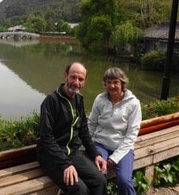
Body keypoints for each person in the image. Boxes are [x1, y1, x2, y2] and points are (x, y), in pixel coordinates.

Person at [36, 62, 108, 195]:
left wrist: (95, 154)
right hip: (51, 156)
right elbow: (46, 137)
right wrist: (65, 164)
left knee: (100, 181)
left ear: (85, 81)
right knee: (79, 190)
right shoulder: (51, 101)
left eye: (81, 79)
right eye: (73, 77)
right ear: (65, 76)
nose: (76, 82)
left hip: (72, 153)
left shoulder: (79, 100)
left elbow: (83, 131)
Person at [88, 67, 142, 195]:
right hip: (100, 143)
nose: (112, 86)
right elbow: (91, 124)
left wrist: (114, 159)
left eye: (115, 82)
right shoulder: (100, 99)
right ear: (105, 83)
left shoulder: (133, 103)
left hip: (123, 147)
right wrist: (86, 146)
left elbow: (131, 135)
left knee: (124, 180)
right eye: (108, 82)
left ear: (122, 83)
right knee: (98, 175)